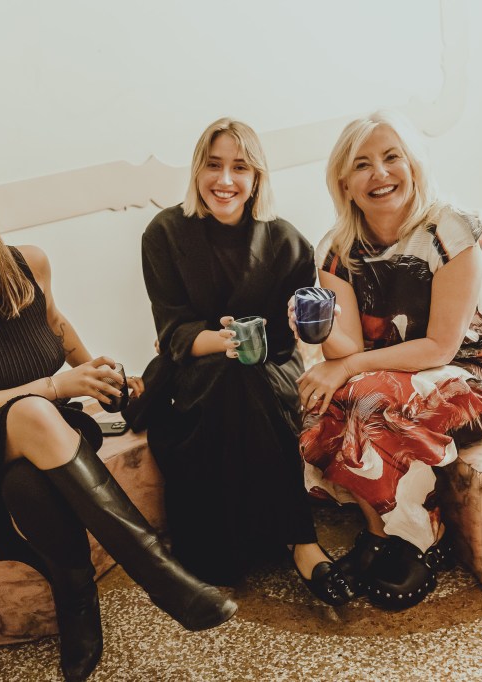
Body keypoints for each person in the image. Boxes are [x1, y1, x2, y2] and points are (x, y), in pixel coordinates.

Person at [0, 155, 236, 682]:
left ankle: (77, 607)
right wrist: (53, 387)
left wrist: (91, 370)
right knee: (33, 411)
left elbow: (54, 322)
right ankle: (164, 578)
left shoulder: (28, 263)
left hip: (48, 434)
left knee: (28, 483)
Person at [292, 111, 482, 611]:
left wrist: (348, 369)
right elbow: (348, 350)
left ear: (413, 166)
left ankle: (423, 537)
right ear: (344, 183)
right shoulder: (336, 249)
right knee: (323, 401)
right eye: (362, 164)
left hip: (473, 369)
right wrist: (319, 328)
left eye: (392, 157)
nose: (380, 173)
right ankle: (380, 530)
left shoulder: (450, 228)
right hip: (390, 369)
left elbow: (440, 347)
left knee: (368, 399)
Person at [125, 119, 355, 606]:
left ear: (256, 179)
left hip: (270, 370)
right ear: (196, 170)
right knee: (232, 376)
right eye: (213, 165)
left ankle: (284, 543)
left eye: (239, 168)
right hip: (194, 374)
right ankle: (301, 540)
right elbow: (172, 332)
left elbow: (289, 342)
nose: (224, 180)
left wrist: (301, 325)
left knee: (246, 378)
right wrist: (223, 341)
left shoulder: (286, 241)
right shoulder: (164, 234)